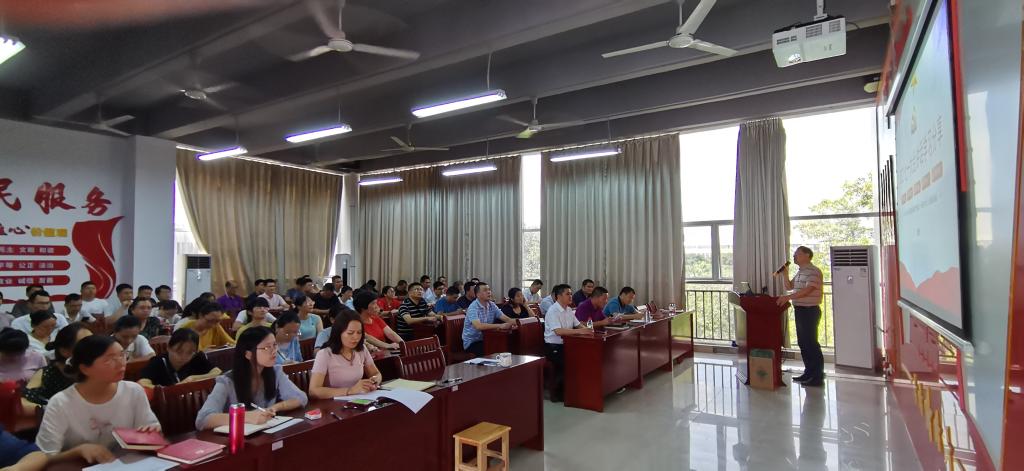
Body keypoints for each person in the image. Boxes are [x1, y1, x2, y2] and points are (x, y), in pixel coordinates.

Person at [35, 335, 161, 464]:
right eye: (109, 359)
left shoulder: (133, 391)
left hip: (126, 464)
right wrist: (78, 451)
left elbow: (149, 427)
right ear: (85, 369)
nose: (121, 363)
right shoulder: (60, 403)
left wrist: (151, 432)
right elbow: (45, 456)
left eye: (122, 355)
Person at [195, 326, 307, 431]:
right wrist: (245, 417)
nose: (274, 351)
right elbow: (202, 419)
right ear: (248, 354)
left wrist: (274, 408)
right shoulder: (227, 381)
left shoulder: (275, 372)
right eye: (267, 347)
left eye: (274, 345)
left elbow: (301, 397)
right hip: (236, 438)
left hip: (266, 434)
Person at [776, 246, 825, 387]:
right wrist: (785, 274)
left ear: (807, 255)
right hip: (801, 310)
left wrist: (788, 298)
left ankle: (817, 376)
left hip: (810, 311)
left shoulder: (814, 271)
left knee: (811, 343)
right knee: (803, 343)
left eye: (797, 254)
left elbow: (808, 290)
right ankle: (808, 373)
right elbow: (789, 286)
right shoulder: (801, 272)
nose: (794, 256)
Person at [309, 309, 383, 400]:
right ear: (339, 333)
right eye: (350, 333)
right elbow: (314, 391)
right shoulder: (325, 354)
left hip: (358, 399)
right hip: (332, 403)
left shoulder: (361, 349)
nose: (356, 337)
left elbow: (376, 373)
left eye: (359, 332)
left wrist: (374, 381)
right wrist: (350, 391)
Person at [23, 323, 91, 408]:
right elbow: (23, 402)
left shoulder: (99, 369)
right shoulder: (48, 373)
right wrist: (50, 409)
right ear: (64, 351)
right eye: (85, 345)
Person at [544, 284, 592, 402]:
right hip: (553, 347)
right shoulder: (553, 311)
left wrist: (588, 331)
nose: (571, 296)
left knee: (586, 356)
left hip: (567, 344)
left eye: (571, 293)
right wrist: (581, 331)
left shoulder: (569, 310)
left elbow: (578, 325)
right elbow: (558, 331)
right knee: (569, 362)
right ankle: (559, 394)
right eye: (567, 294)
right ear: (558, 296)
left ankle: (580, 389)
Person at [138, 328, 221, 388]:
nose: (184, 357)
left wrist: (193, 378)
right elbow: (142, 382)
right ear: (168, 348)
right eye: (179, 352)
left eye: (190, 353)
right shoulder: (159, 361)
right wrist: (168, 390)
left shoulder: (197, 357)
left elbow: (217, 372)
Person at [463, 283, 517, 356]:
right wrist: (500, 326)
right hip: (473, 342)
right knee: (496, 349)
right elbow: (478, 326)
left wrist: (520, 323)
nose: (489, 292)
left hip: (487, 338)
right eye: (485, 290)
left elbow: (507, 319)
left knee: (508, 345)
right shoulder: (473, 307)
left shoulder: (492, 305)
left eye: (489, 290)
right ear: (477, 294)